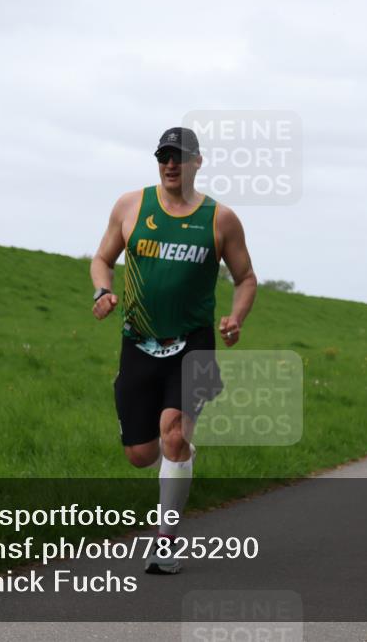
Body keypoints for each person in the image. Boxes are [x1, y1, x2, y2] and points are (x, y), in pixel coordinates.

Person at [91, 127, 257, 573]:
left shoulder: (220, 219)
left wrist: (236, 318)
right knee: (141, 455)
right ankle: (175, 459)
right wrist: (101, 292)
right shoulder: (131, 206)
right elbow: (102, 258)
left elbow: (246, 278)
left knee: (174, 435)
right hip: (138, 345)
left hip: (194, 344)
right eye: (163, 156)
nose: (170, 164)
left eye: (179, 156)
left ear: (197, 162)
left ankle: (166, 542)